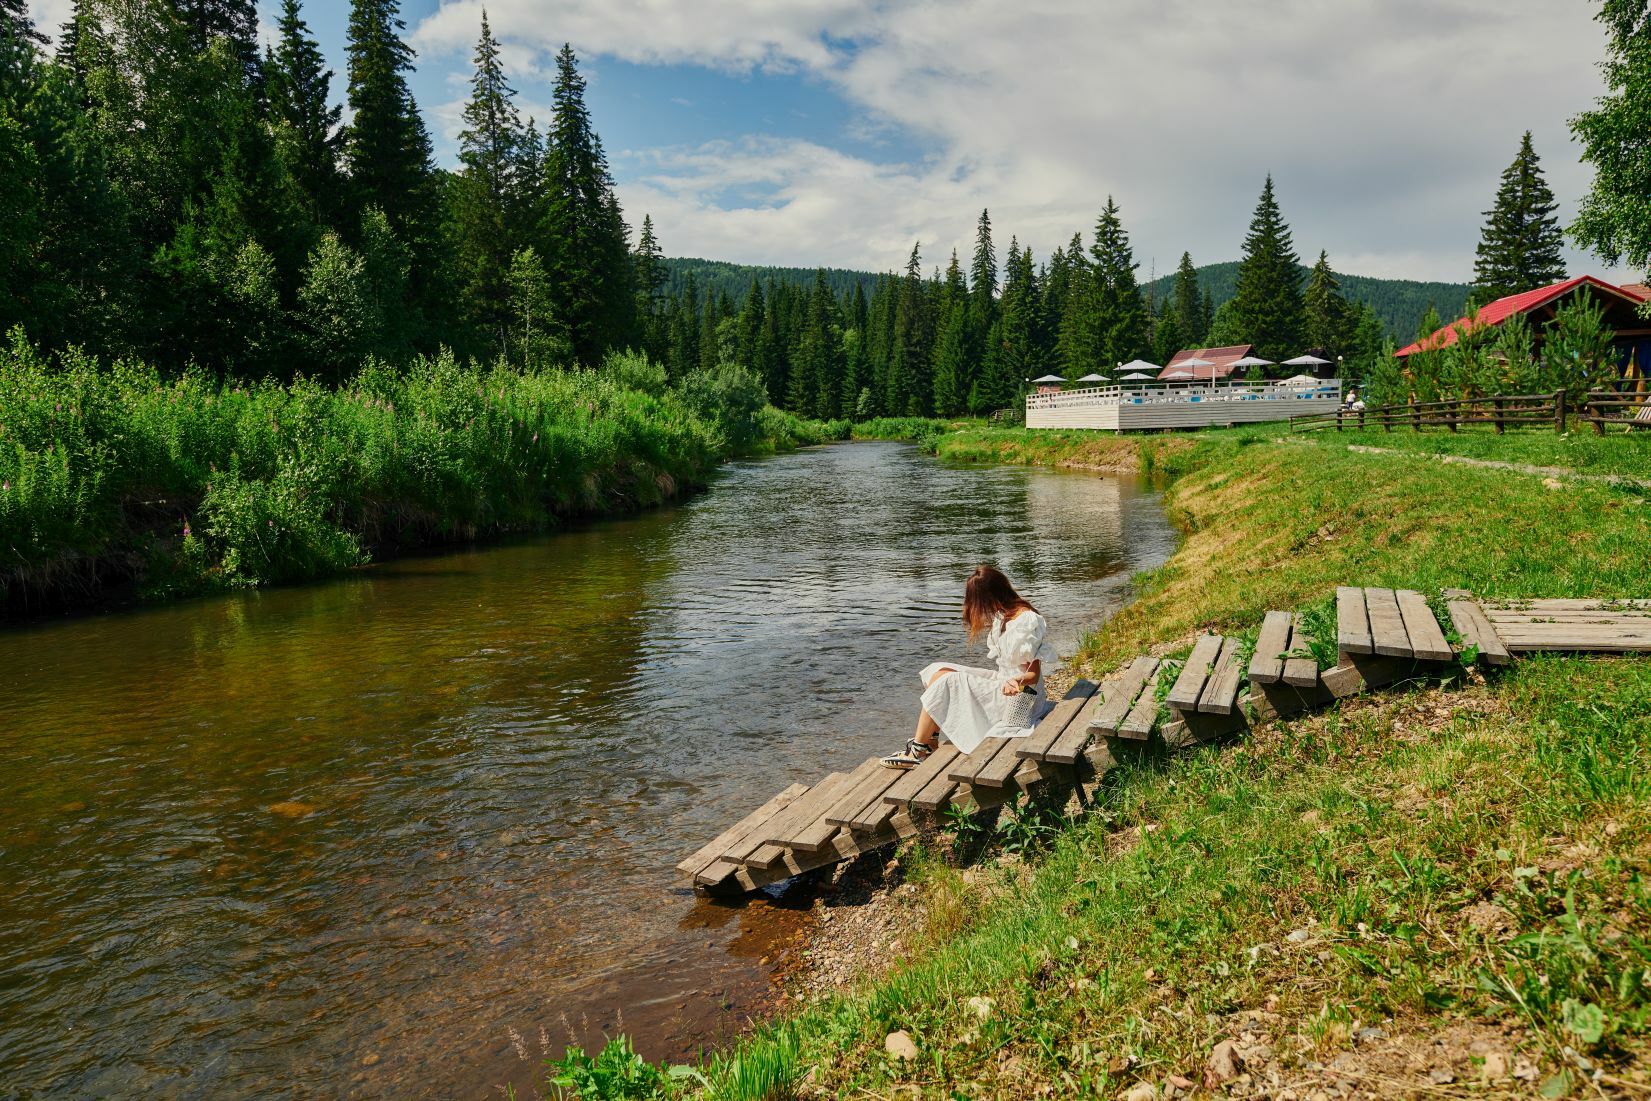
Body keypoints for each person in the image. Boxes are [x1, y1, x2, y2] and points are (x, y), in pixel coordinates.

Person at [881, 566, 1061, 770]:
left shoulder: (1025, 620)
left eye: (977, 600)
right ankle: (930, 742)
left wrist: (1016, 681)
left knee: (946, 682)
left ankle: (917, 751)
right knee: (938, 670)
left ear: (991, 595)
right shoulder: (1005, 614)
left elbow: (1034, 675)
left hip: (1019, 698)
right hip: (1005, 683)